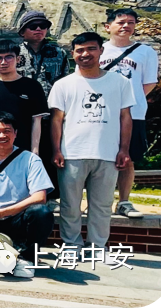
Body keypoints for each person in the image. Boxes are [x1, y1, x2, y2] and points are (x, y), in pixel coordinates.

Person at [50, 31, 134, 248]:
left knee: (102, 205)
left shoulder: (120, 82)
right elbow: (57, 120)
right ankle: (71, 245)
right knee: (70, 205)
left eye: (91, 49)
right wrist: (56, 150)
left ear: (101, 51)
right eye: (80, 50)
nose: (85, 54)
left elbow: (125, 117)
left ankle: (97, 246)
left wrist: (124, 149)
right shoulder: (63, 84)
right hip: (72, 153)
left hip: (107, 152)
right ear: (73, 54)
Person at [0, 113, 54, 279]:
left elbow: (40, 197)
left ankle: (26, 258)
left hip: (16, 219)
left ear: (15, 133)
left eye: (7, 131)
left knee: (41, 212)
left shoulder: (31, 160)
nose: (2, 136)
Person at [101, 8, 161, 219]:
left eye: (131, 22)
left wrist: (130, 100)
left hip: (133, 113)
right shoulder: (99, 50)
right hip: (101, 113)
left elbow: (149, 83)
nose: (126, 26)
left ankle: (124, 201)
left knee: (128, 158)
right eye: (121, 22)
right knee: (100, 159)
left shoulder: (145, 52)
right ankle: (100, 202)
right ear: (108, 26)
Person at [0, 40, 49, 155]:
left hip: (23, 149)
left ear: (18, 59)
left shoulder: (32, 86)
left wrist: (35, 150)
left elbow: (36, 120)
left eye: (9, 57)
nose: (3, 62)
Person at [15, 11, 70, 97]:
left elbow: (65, 80)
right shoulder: (14, 54)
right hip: (21, 102)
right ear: (22, 32)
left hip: (51, 102)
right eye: (33, 26)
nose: (38, 29)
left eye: (43, 26)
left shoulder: (59, 53)